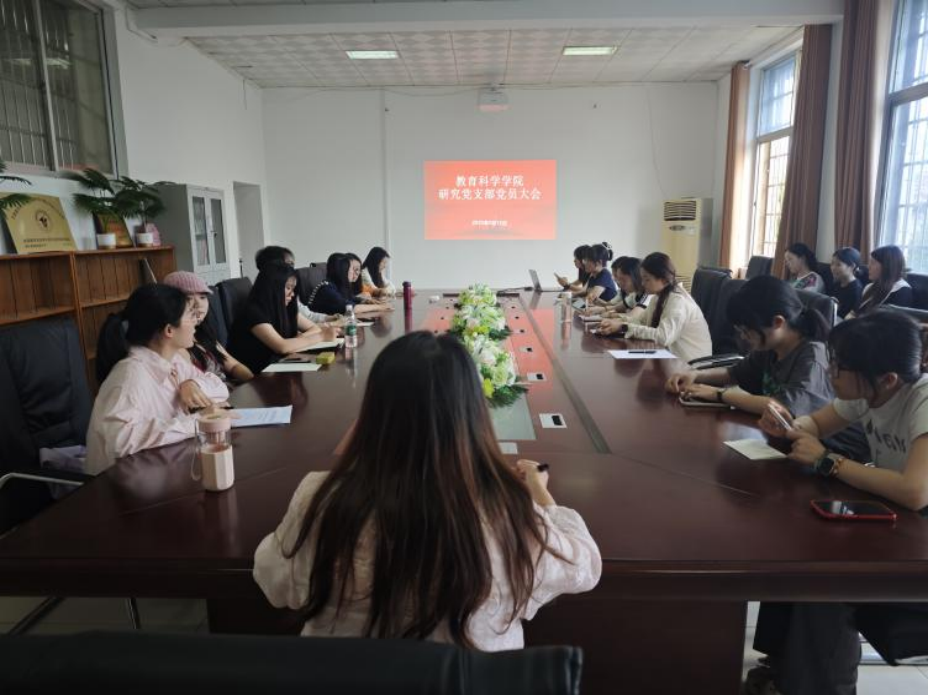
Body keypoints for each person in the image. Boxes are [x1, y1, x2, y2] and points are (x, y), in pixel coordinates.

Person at [253, 332, 602, 650]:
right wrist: (540, 494)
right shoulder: (509, 512)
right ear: (473, 414)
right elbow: (585, 566)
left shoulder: (320, 497)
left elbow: (273, 582)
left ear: (373, 412)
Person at [747, 310, 928, 696]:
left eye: (839, 368)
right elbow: (815, 424)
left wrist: (829, 461)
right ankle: (782, 666)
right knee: (793, 544)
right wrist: (790, 425)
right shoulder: (869, 392)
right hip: (901, 521)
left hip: (918, 531)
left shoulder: (923, 401)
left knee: (827, 580)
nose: (830, 374)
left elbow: (915, 492)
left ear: (888, 378)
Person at [86, 284, 230, 475]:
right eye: (189, 315)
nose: (196, 321)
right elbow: (119, 441)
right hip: (119, 484)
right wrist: (196, 422)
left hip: (159, 469)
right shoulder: (131, 375)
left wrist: (194, 383)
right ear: (169, 330)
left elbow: (220, 388)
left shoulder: (173, 360)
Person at [666, 276, 832, 417]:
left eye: (747, 330)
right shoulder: (771, 346)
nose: (743, 337)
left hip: (818, 442)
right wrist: (695, 375)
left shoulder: (812, 356)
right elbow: (734, 374)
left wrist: (720, 395)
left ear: (777, 322)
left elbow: (782, 408)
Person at [598, 253, 712, 363]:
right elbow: (641, 321)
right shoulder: (658, 297)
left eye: (647, 279)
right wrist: (618, 323)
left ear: (664, 279)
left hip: (690, 365)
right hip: (669, 359)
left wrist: (624, 327)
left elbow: (663, 337)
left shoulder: (678, 301)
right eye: (642, 279)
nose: (642, 283)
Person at [228, 262, 338, 374]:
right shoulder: (253, 312)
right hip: (257, 375)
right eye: (288, 288)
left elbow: (314, 328)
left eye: (293, 289)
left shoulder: (285, 307)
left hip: (279, 366)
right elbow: (282, 347)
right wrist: (321, 336)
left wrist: (297, 340)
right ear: (272, 288)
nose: (292, 294)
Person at [162, 271, 253, 383]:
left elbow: (234, 365)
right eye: (188, 298)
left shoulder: (202, 333)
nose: (199, 305)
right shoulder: (175, 343)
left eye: (202, 297)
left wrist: (254, 382)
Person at [254, 245, 342, 327]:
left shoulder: (288, 294)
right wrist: (332, 324)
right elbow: (297, 330)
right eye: (289, 264)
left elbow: (308, 316)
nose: (292, 269)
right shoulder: (260, 308)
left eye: (292, 265)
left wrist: (329, 318)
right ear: (273, 267)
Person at [307, 253, 392, 317]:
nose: (355, 272)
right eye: (351, 269)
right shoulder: (327, 289)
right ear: (343, 271)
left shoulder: (335, 285)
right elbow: (351, 308)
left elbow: (349, 298)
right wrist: (380, 307)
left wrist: (365, 301)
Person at [582, 256, 651, 322]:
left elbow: (632, 316)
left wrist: (610, 315)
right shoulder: (634, 294)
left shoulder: (649, 294)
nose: (618, 282)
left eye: (623, 280)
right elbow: (616, 307)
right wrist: (598, 310)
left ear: (636, 278)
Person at [854, 245, 914, 315]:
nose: (868, 267)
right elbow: (856, 312)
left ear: (887, 266)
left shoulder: (902, 291)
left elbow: (894, 320)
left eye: (873, 263)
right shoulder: (869, 286)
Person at [829, 247, 864, 320]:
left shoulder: (856, 289)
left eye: (838, 264)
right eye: (832, 263)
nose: (833, 268)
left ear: (852, 267)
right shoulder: (837, 282)